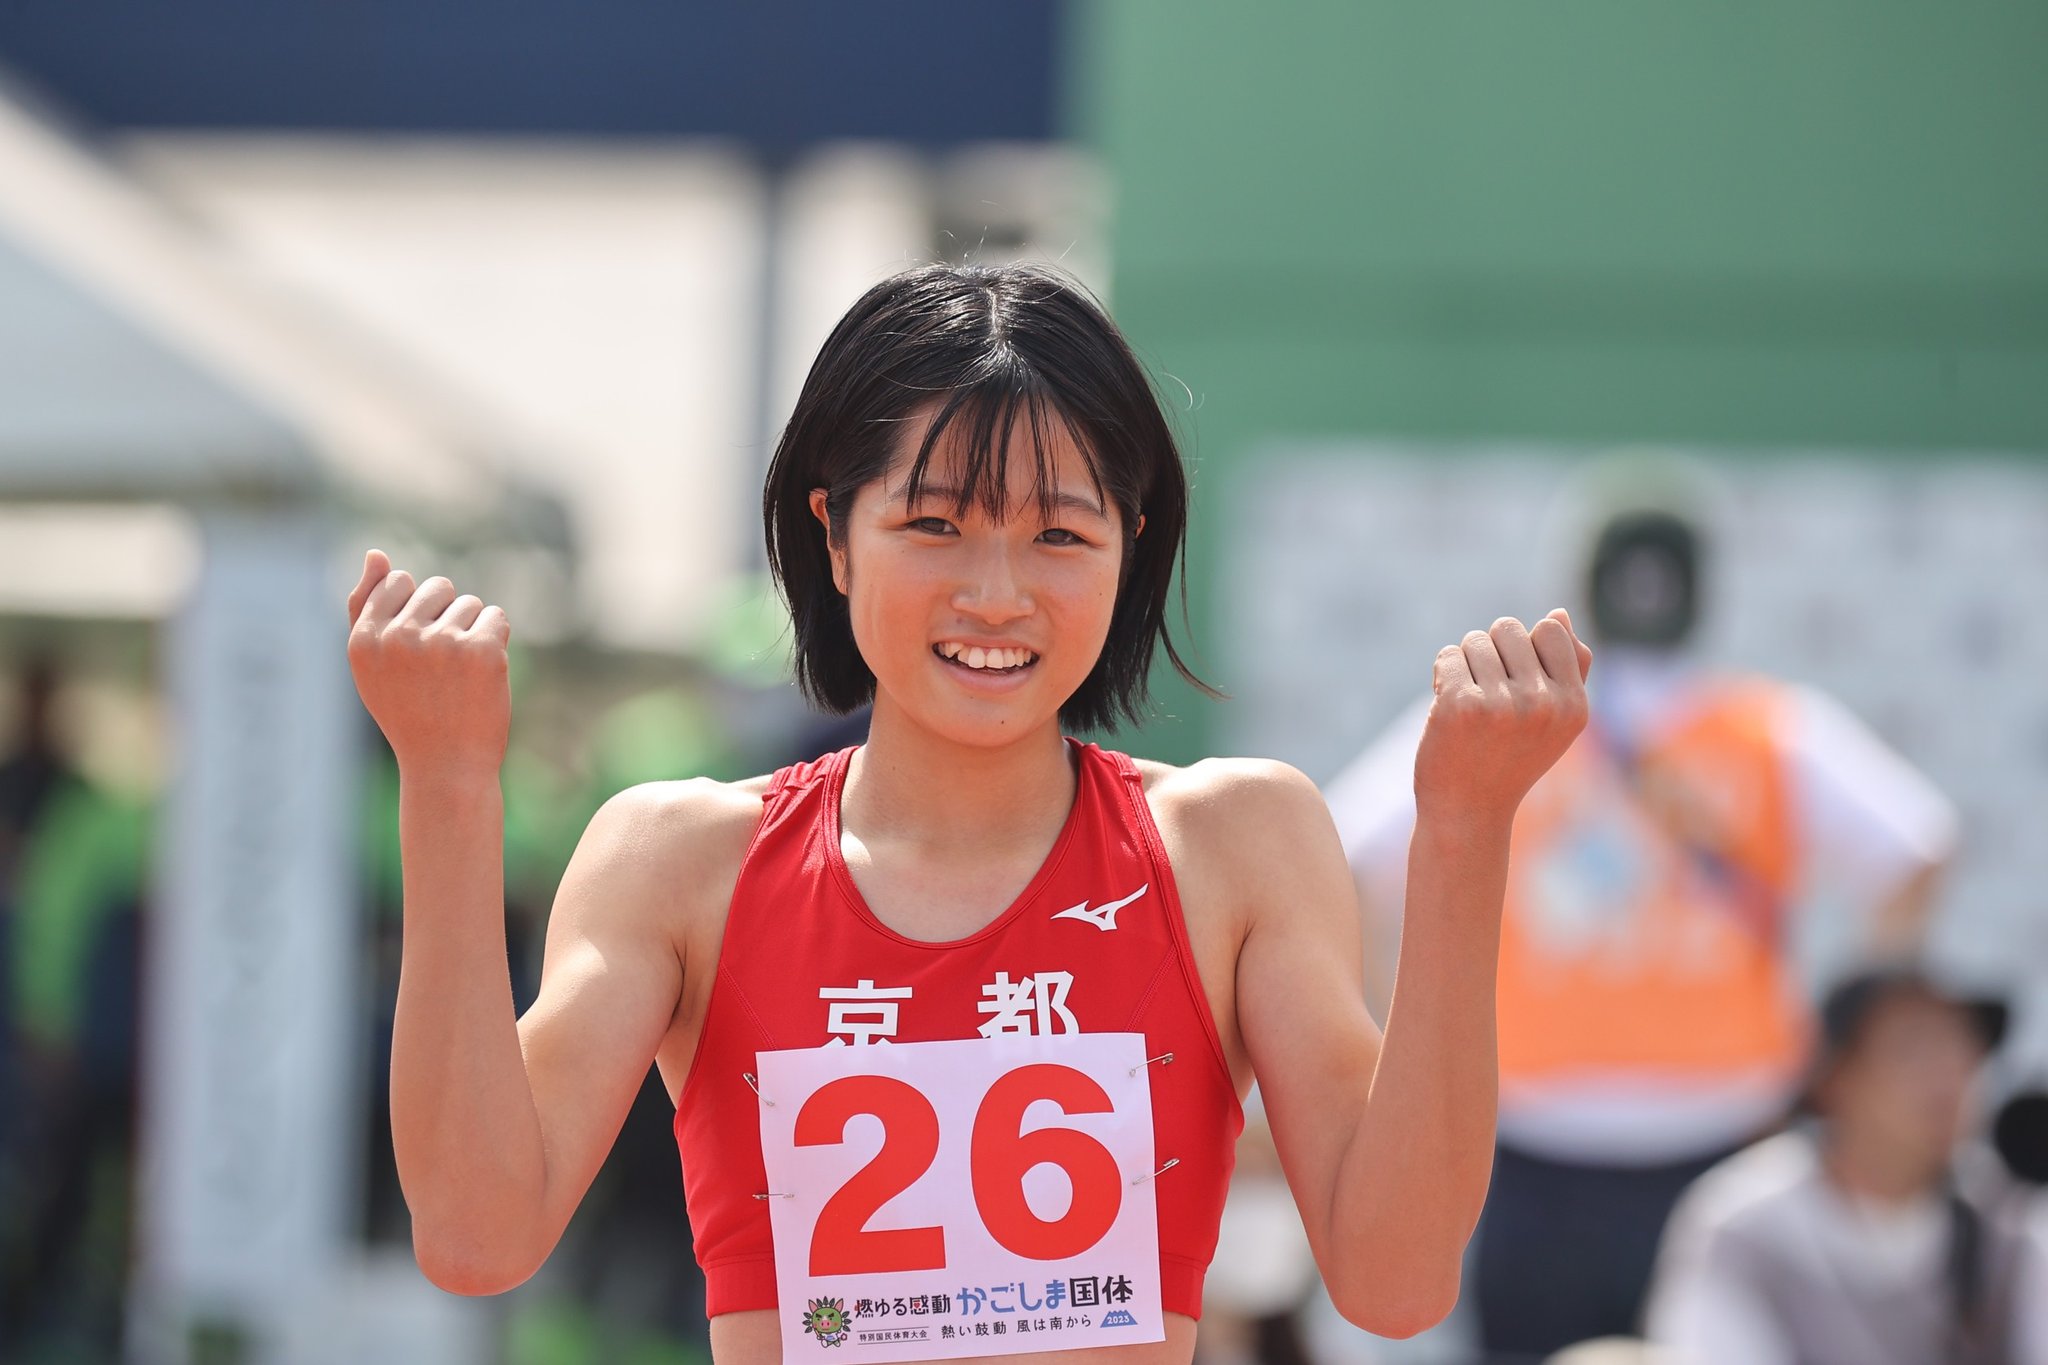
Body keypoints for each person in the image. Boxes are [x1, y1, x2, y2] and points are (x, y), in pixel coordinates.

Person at [344, 262, 1594, 1364]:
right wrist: (446, 789)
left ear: (1131, 544)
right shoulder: (678, 862)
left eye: (1059, 532)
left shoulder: (1234, 844)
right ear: (834, 536)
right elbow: (474, 1234)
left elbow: (1394, 1279)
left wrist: (1464, 833)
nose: (995, 594)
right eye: (934, 524)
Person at [1322, 482, 1958, 1362]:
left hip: (1526, 1145)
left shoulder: (1516, 711)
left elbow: (1347, 852)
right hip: (1727, 1139)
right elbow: (1920, 849)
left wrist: (1396, 1045)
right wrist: (1837, 1044)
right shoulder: (1770, 726)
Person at [1644, 968, 2048, 1365]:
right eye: (1913, 1048)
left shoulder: (2010, 1224)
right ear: (1835, 1077)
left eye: (1963, 1047)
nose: (1947, 1074)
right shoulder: (1745, 1223)